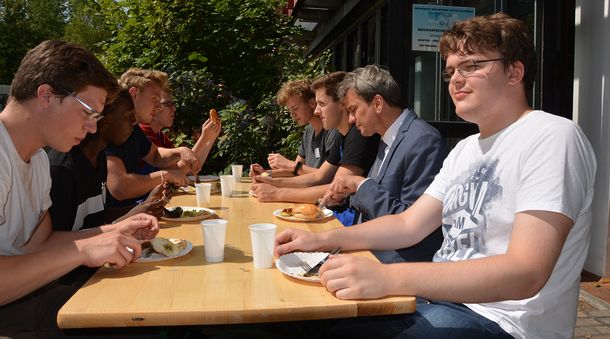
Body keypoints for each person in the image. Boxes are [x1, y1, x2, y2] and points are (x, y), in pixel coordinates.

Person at [275, 13, 596, 339]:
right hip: (440, 305)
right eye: (451, 70)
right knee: (309, 321)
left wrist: (388, 278)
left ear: (515, 71)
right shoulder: (465, 150)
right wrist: (321, 240)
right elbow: (407, 225)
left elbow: (526, 272)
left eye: (471, 66)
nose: (455, 79)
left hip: (505, 323)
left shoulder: (552, 136)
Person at [0, 40, 159, 336]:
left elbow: (41, 243)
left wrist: (114, 232)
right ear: (46, 95)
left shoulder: (37, 161)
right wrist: (84, 250)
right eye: (88, 112)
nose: (93, 128)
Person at [320, 65, 447, 263]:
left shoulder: (423, 140)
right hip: (373, 253)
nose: (351, 119)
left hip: (399, 268)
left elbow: (410, 222)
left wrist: (360, 185)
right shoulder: (388, 138)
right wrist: (346, 195)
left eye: (353, 110)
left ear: (377, 103)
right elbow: (381, 199)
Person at [47, 87, 170, 232]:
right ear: (106, 120)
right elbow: (58, 243)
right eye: (128, 116)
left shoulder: (99, 158)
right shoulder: (62, 170)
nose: (133, 122)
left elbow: (99, 218)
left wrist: (143, 208)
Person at [252, 72, 379, 208]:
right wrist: (270, 181)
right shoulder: (342, 135)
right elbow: (319, 177)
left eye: (321, 104)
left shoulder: (358, 134)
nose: (316, 111)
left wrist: (276, 193)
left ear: (342, 103)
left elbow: (334, 188)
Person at [105, 68, 199, 208]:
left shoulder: (134, 128)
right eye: (155, 98)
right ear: (134, 93)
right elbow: (120, 187)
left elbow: (155, 155)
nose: (158, 106)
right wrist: (165, 175)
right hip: (115, 222)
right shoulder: (111, 129)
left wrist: (181, 151)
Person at [250, 79, 340, 177]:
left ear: (312, 103)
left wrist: (289, 164)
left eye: (295, 109)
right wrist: (265, 173)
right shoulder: (309, 131)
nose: (292, 115)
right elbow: (295, 171)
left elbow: (328, 176)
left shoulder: (333, 130)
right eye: (290, 111)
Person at [138, 88, 221, 175]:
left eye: (173, 104)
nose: (174, 109)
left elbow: (190, 170)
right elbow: (175, 172)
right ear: (154, 108)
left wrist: (210, 138)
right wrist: (204, 139)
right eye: (167, 104)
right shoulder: (143, 131)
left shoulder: (160, 136)